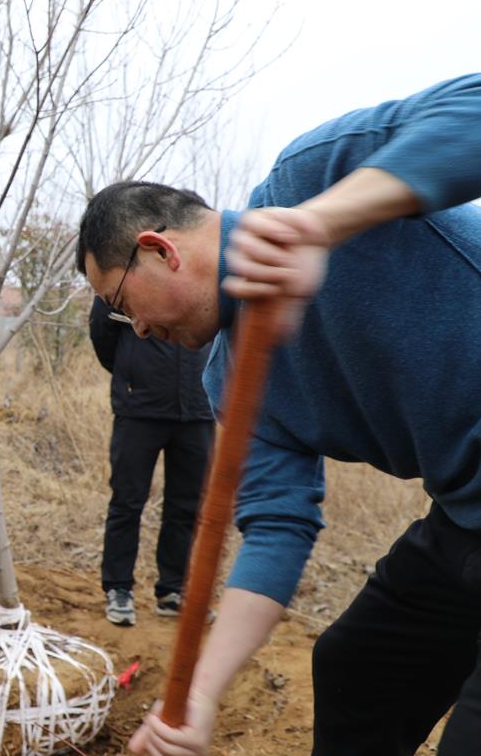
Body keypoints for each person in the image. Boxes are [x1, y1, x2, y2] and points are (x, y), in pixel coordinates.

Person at [76, 74, 481, 756]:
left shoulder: (308, 180)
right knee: (358, 670)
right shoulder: (234, 384)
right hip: (466, 519)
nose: (134, 330)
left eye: (120, 304)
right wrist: (200, 695)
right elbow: (277, 529)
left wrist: (320, 225)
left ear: (159, 251)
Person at [89, 295, 213, 626]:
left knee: (187, 506)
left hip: (198, 409)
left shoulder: (205, 273)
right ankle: (118, 588)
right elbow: (102, 332)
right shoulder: (126, 275)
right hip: (139, 408)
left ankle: (174, 591)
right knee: (127, 502)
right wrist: (130, 372)